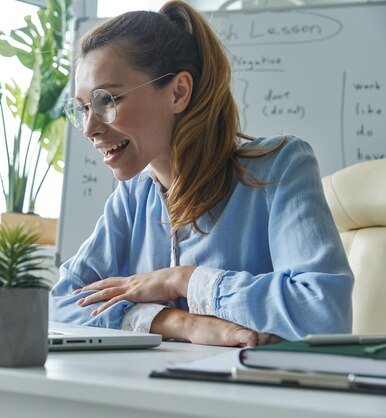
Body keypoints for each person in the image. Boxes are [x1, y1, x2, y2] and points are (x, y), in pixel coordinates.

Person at [49, 0, 353, 347]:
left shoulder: (281, 167)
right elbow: (60, 303)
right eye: (84, 107)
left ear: (178, 92)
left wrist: (184, 281)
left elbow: (325, 312)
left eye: (107, 100)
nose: (89, 128)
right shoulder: (134, 196)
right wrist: (174, 322)